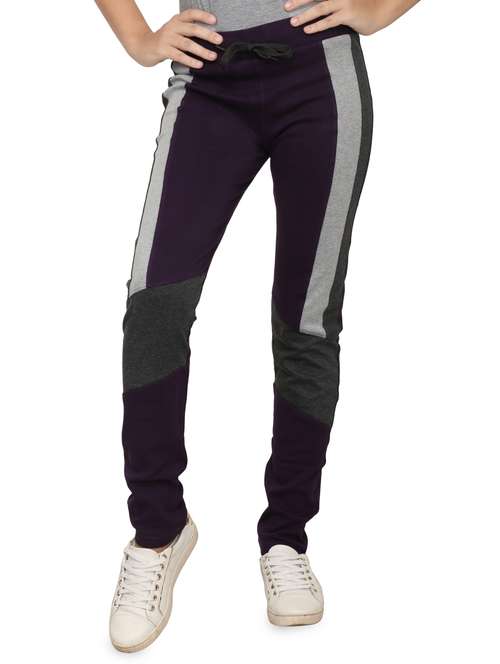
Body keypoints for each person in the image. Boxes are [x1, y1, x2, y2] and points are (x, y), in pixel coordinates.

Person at [95, 0, 420, 651]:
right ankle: (158, 532)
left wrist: (379, 9)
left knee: (307, 319)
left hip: (319, 73)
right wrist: (138, 37)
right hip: (206, 77)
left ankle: (285, 538)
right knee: (154, 306)